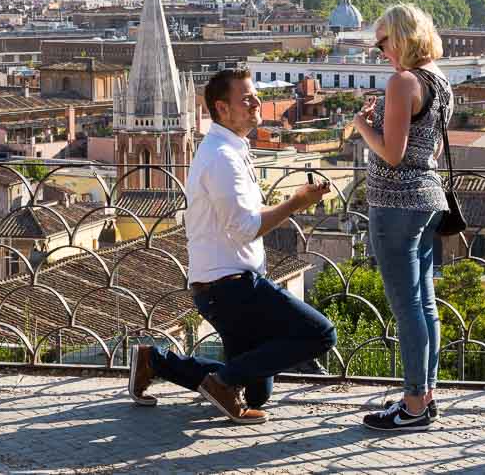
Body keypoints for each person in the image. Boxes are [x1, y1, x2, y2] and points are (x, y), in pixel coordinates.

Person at [127, 68, 337, 424]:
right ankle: (221, 382)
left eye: (255, 95)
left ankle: (155, 361)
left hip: (223, 285)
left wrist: (293, 200)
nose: (257, 102)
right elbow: (245, 228)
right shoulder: (222, 158)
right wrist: (296, 204)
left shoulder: (230, 149)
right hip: (232, 288)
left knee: (258, 392)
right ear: (222, 109)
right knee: (320, 333)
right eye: (247, 98)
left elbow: (247, 217)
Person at [352, 3, 452, 431]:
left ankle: (412, 405)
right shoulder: (441, 81)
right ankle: (424, 396)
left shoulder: (402, 82)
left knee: (407, 306)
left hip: (395, 204)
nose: (380, 52)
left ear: (402, 37)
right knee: (425, 303)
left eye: (382, 43)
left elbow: (392, 155)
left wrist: (362, 126)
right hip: (429, 201)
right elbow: (433, 149)